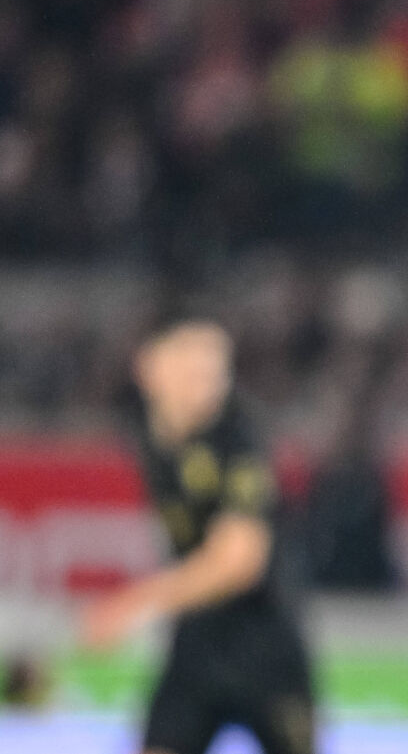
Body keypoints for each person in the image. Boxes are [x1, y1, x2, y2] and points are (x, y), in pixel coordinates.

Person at [80, 318, 316, 754]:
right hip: (195, 647)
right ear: (149, 366)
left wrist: (134, 603)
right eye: (192, 360)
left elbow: (239, 562)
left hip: (267, 647)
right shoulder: (145, 430)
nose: (208, 377)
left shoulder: (240, 436)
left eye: (216, 364)